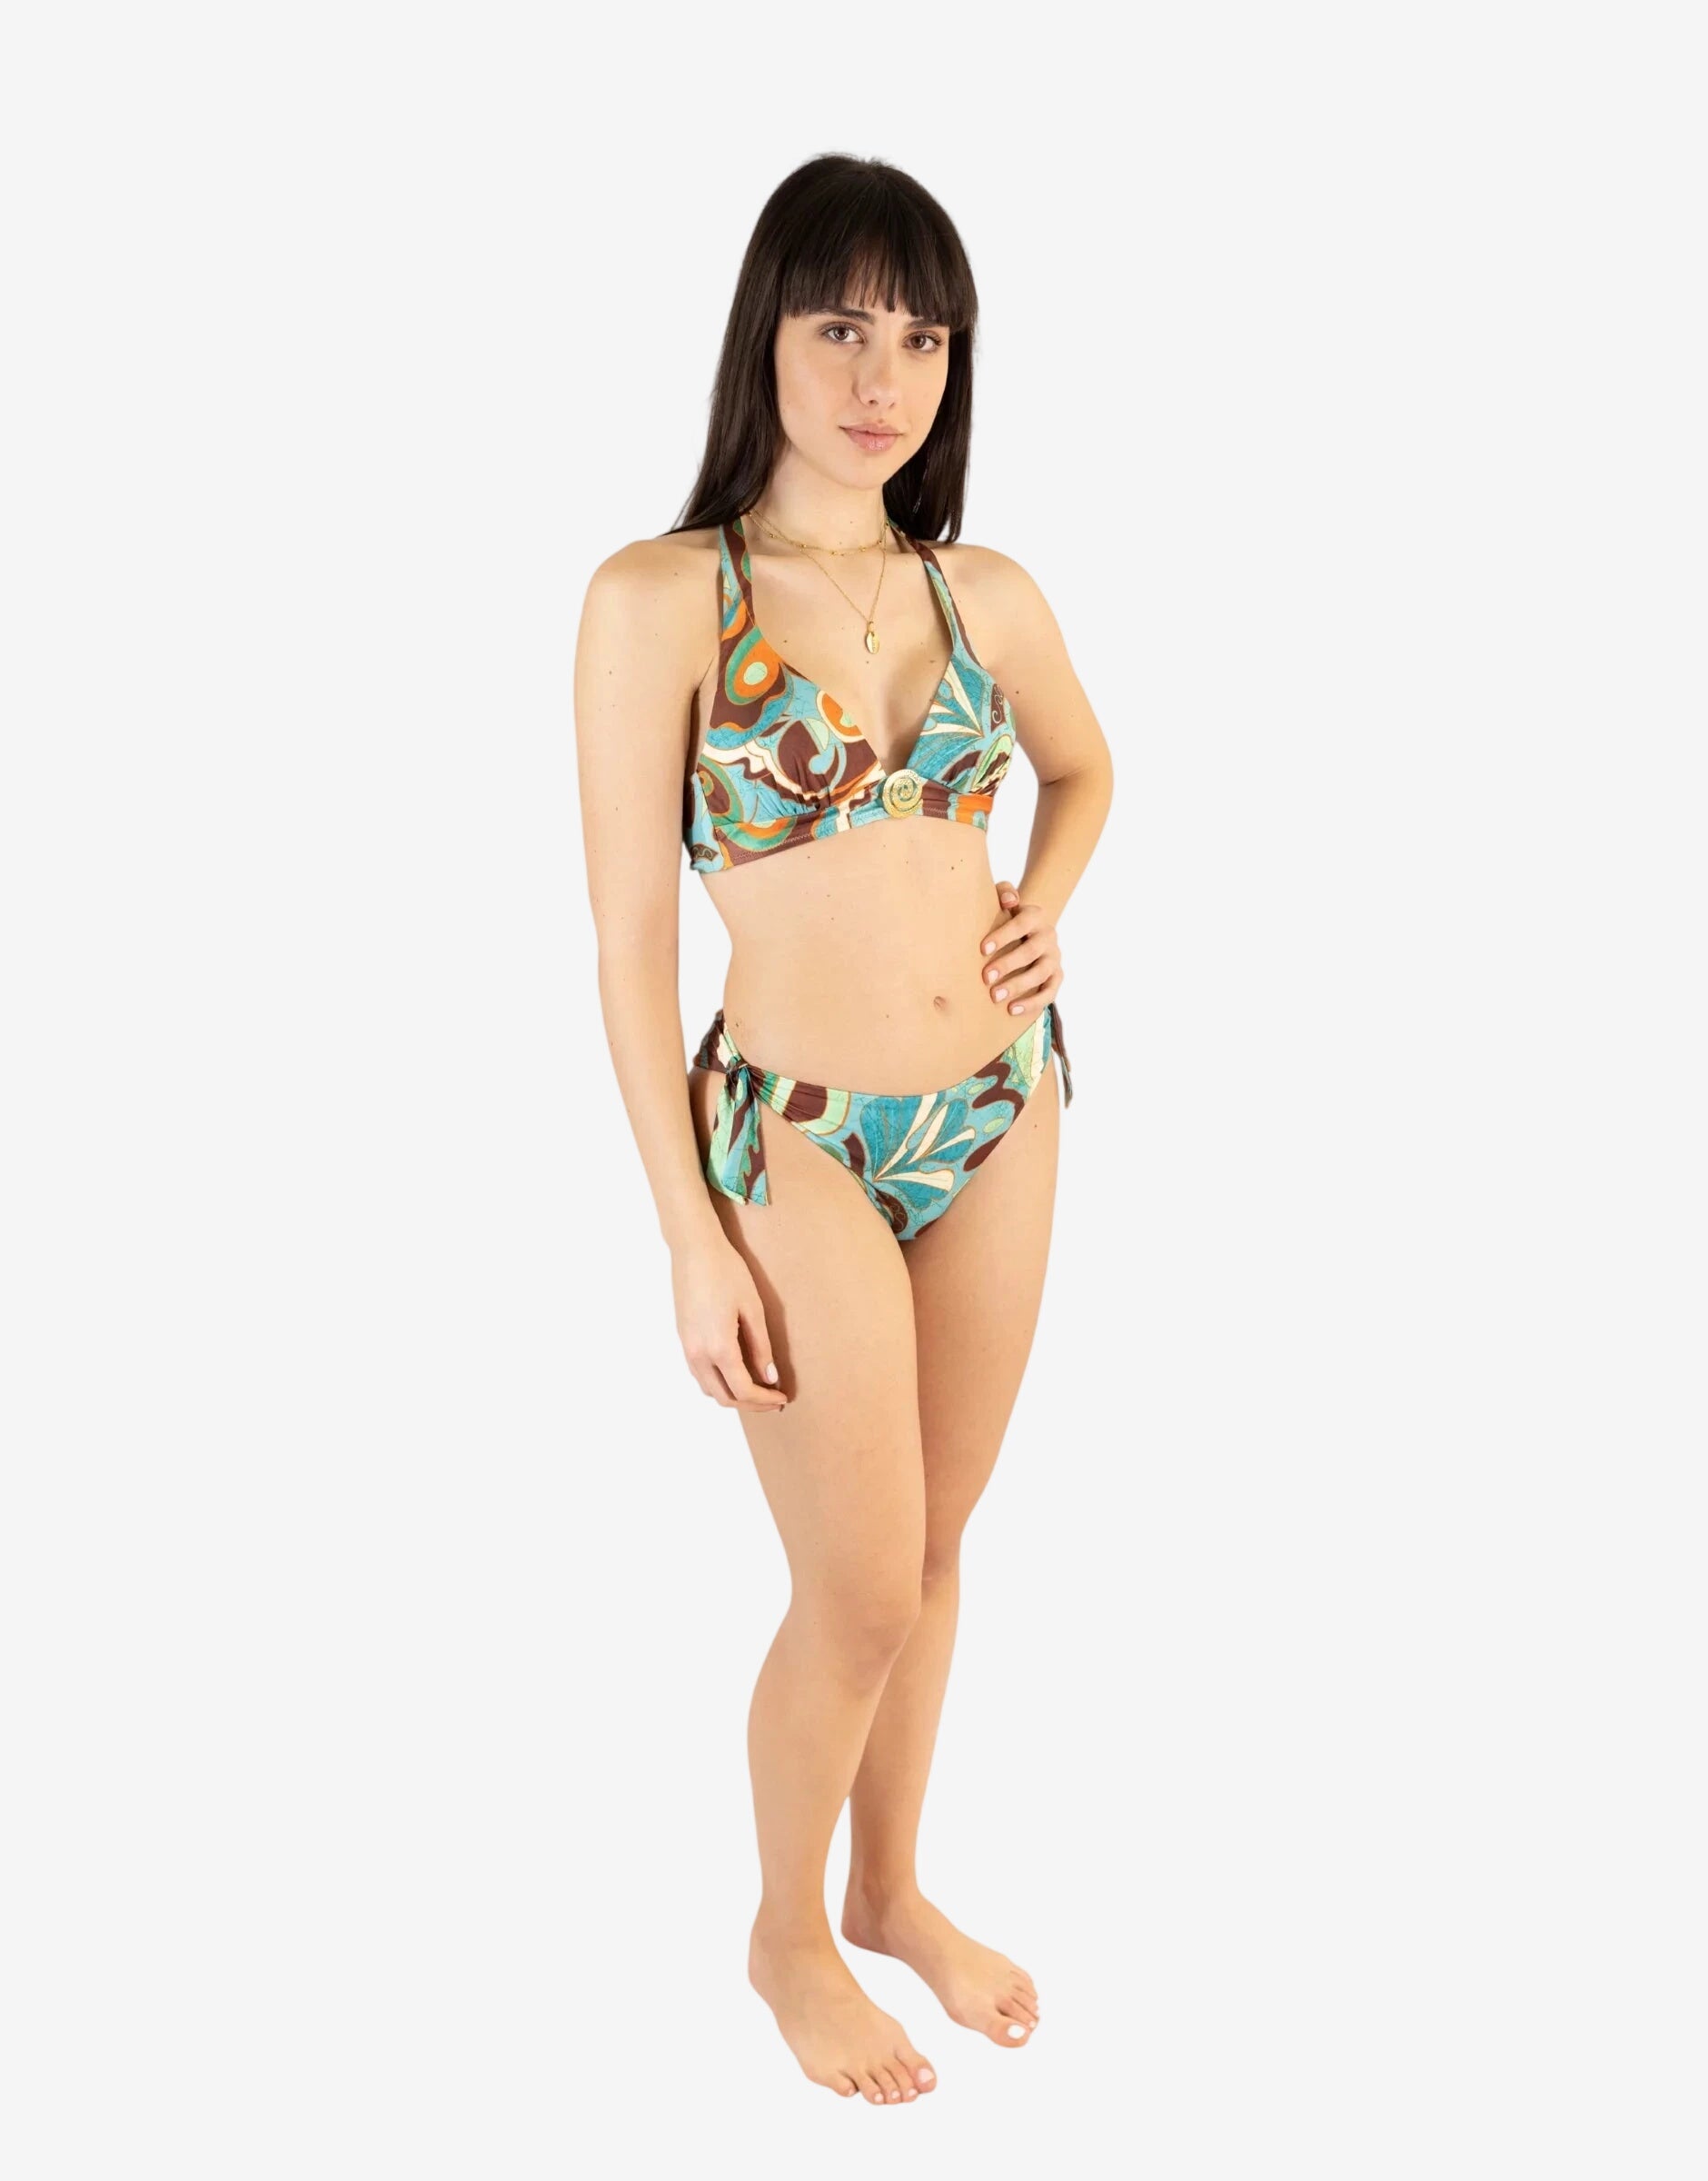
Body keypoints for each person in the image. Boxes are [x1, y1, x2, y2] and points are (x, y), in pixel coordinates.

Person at [571, 153, 1113, 2106]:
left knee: (939, 1546)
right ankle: (785, 1930)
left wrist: (1047, 902)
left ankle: (888, 1888)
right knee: (859, 1584)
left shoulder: (985, 591)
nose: (883, 378)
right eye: (840, 328)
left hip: (1000, 1111)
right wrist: (684, 1235)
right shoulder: (661, 598)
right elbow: (632, 946)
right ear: (767, 339)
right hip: (788, 1133)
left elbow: (1082, 767)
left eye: (922, 339)